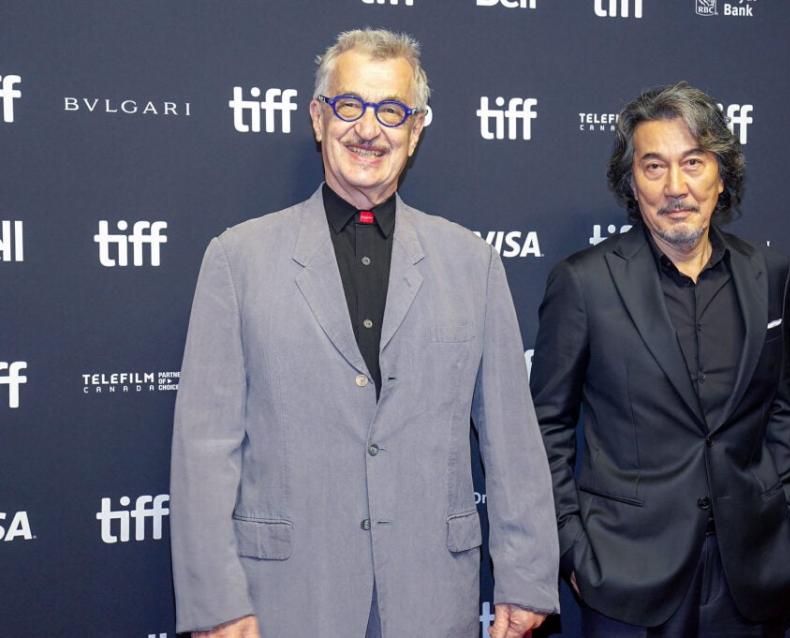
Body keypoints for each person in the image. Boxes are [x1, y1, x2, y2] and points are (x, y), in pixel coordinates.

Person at [170, 28, 558, 638]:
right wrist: (216, 601)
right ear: (319, 119)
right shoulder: (236, 260)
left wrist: (528, 575)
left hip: (432, 596)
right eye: (349, 106)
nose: (369, 129)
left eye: (391, 111)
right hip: (286, 598)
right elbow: (204, 448)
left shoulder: (472, 263)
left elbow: (512, 441)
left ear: (417, 128)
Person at [531, 82, 790, 637]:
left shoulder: (770, 273)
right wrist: (573, 548)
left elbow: (785, 410)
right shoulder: (584, 283)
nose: (675, 187)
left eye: (693, 163)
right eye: (653, 166)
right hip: (626, 576)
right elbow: (547, 426)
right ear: (631, 181)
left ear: (722, 174)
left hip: (752, 572)